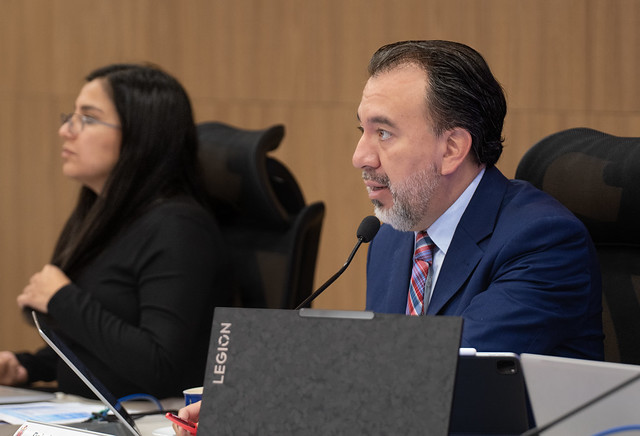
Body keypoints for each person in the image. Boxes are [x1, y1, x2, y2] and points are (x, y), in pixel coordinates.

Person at [354, 40, 603, 359]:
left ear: (452, 149)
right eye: (362, 130)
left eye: (383, 133)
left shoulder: (544, 243)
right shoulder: (390, 237)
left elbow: (445, 371)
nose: (360, 157)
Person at [0, 63, 233, 399]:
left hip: (154, 417)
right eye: (71, 116)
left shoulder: (180, 228)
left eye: (88, 118)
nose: (66, 130)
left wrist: (63, 300)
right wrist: (27, 366)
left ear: (141, 134)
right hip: (89, 410)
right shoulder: (103, 214)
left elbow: (160, 366)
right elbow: (102, 350)